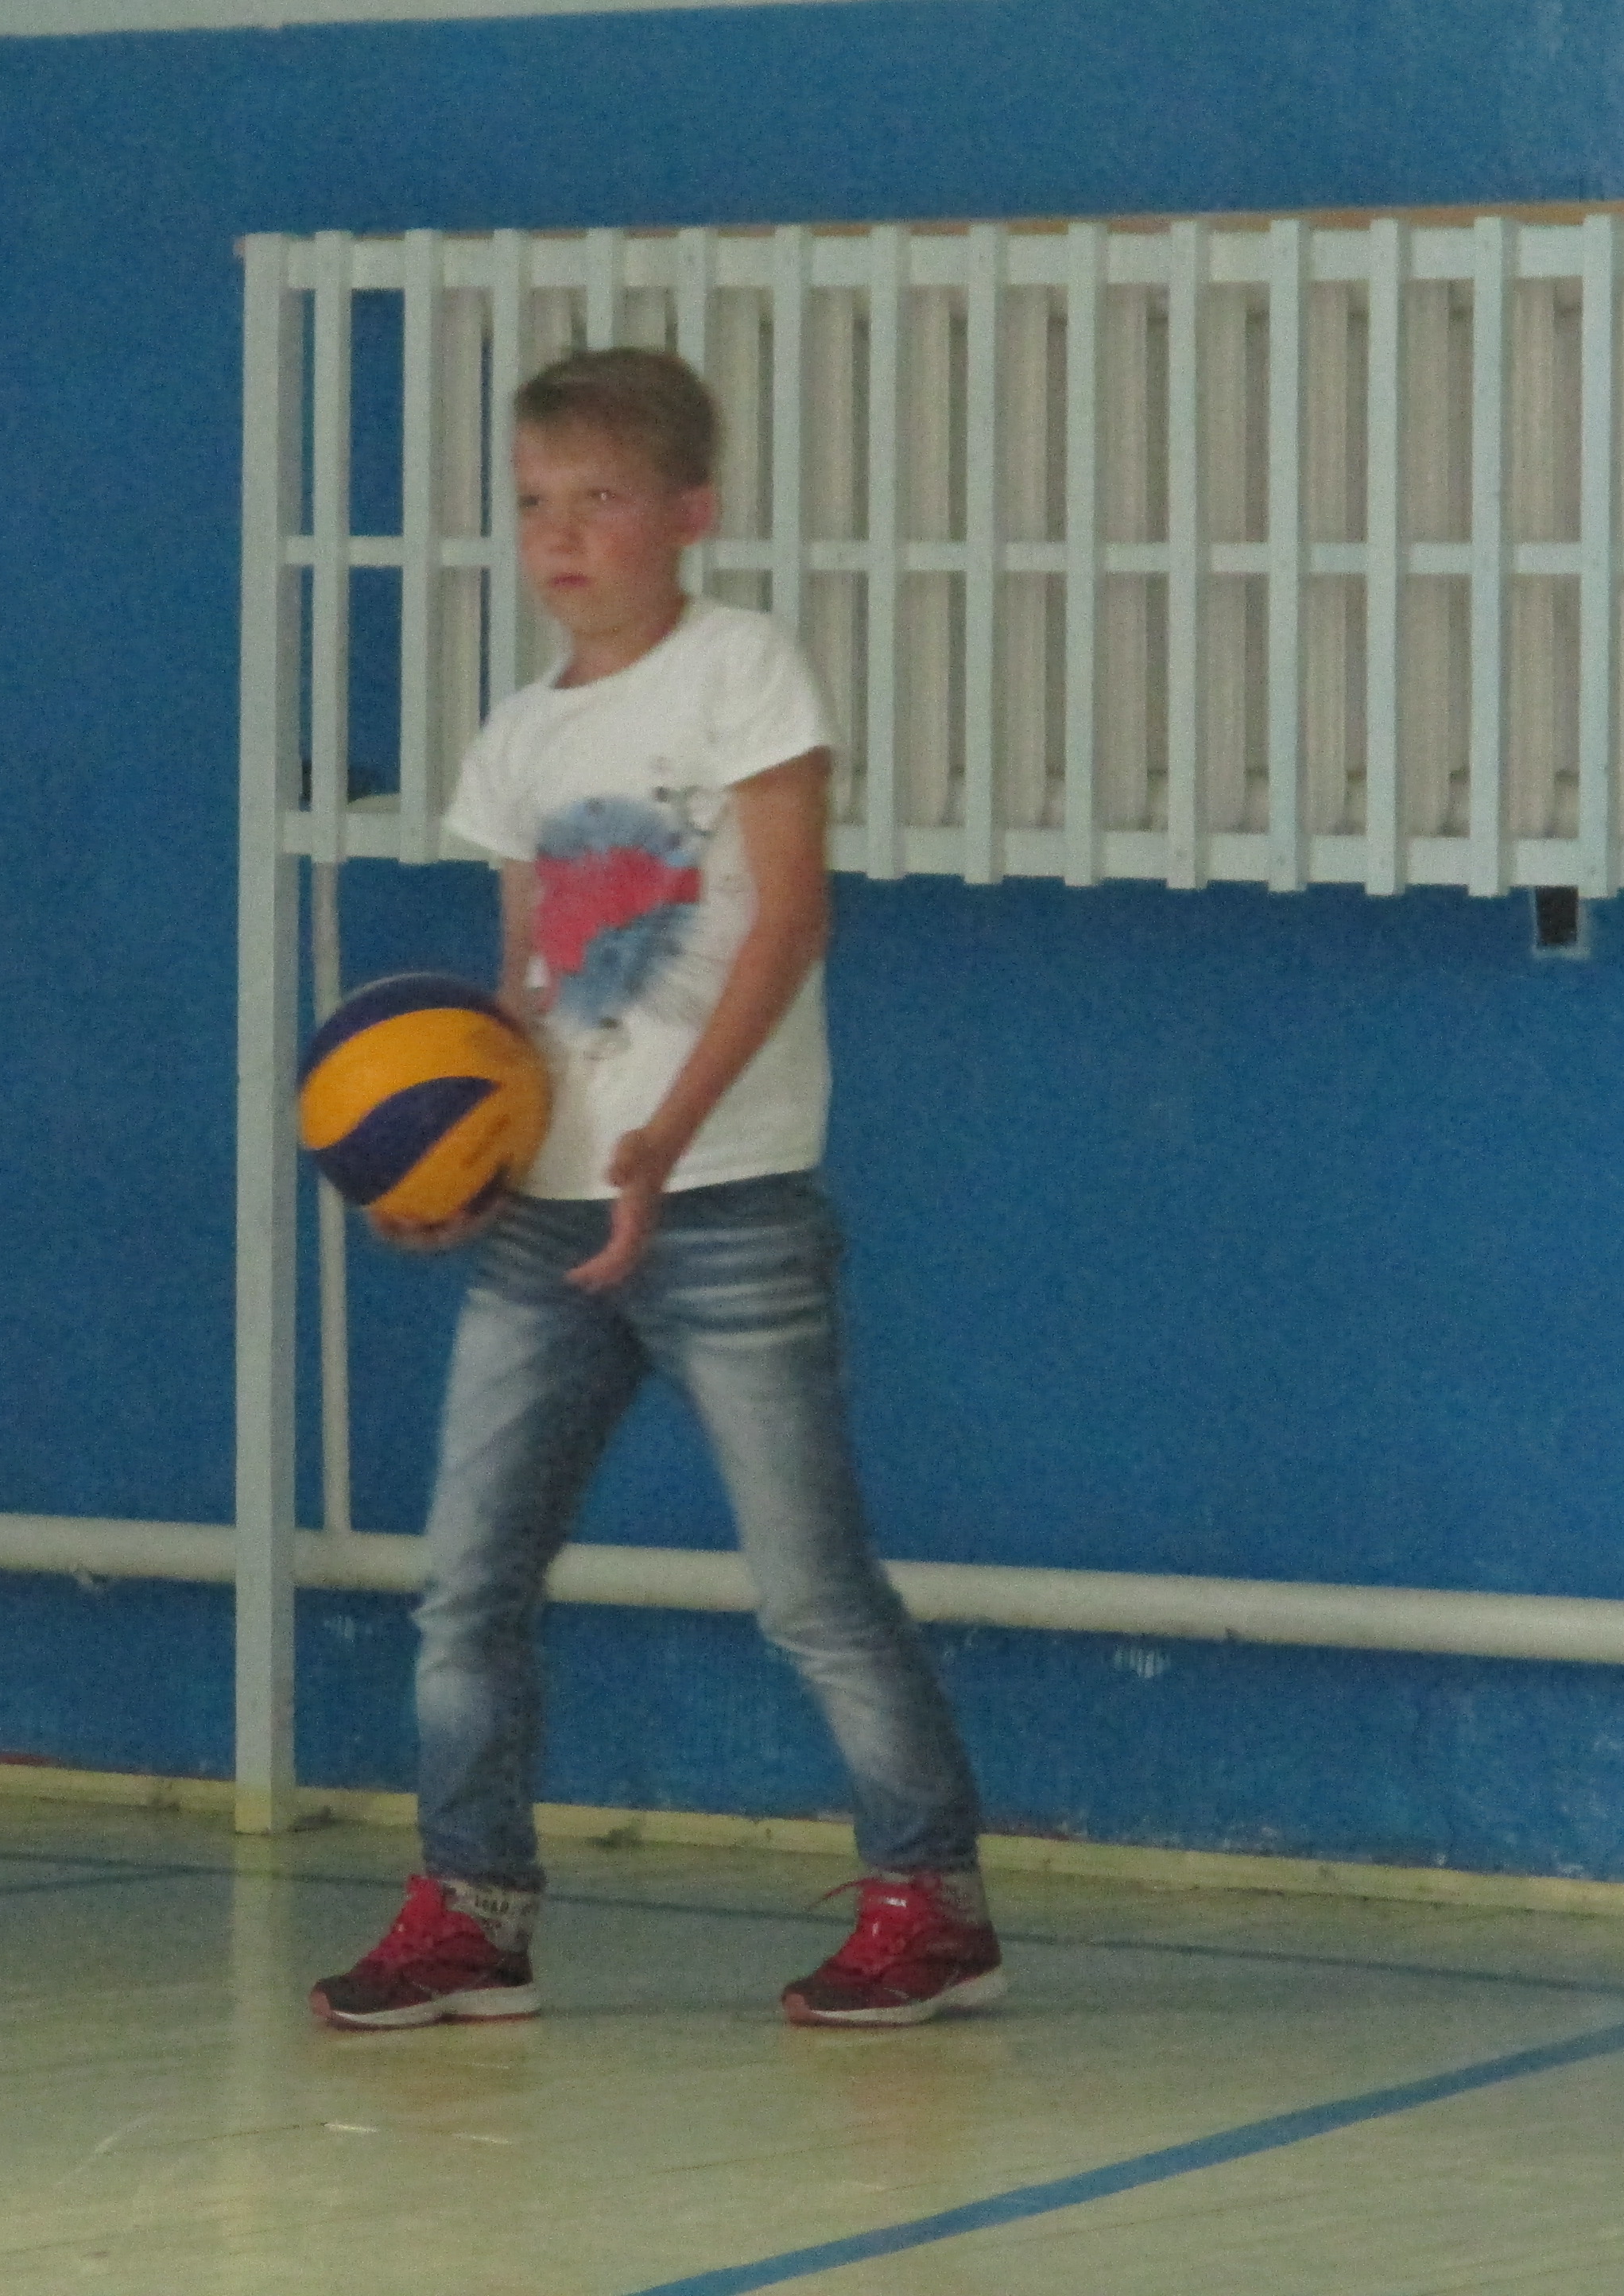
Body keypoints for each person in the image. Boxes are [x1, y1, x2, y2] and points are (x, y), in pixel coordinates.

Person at [309, 346, 998, 2034]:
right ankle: (472, 1910)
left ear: (689, 514)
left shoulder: (741, 668)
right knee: (467, 1589)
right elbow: (520, 998)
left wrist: (666, 1140)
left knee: (811, 1593)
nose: (559, 535)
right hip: (550, 1219)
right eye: (534, 503)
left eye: (600, 499)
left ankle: (931, 1901)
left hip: (730, 1205)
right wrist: (463, 1168)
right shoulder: (519, 738)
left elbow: (790, 920)